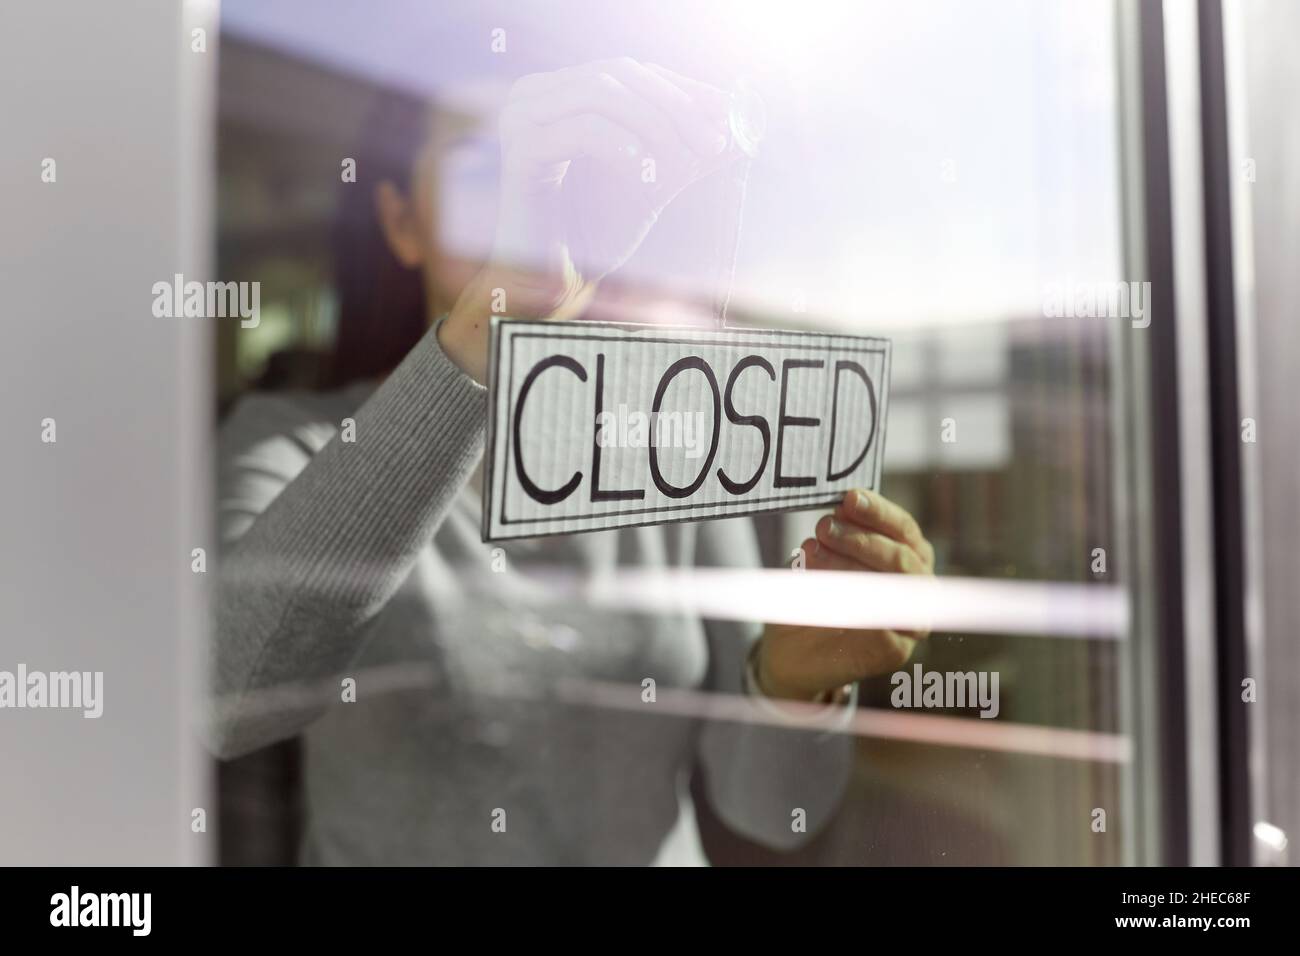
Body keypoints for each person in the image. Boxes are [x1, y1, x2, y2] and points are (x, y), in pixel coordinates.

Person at [208, 59, 935, 865]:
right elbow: (232, 701)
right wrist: (502, 309)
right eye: (487, 168)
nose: (531, 199)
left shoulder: (673, 446)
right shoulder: (298, 438)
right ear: (399, 220)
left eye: (557, 168)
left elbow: (775, 814)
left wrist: (796, 687)